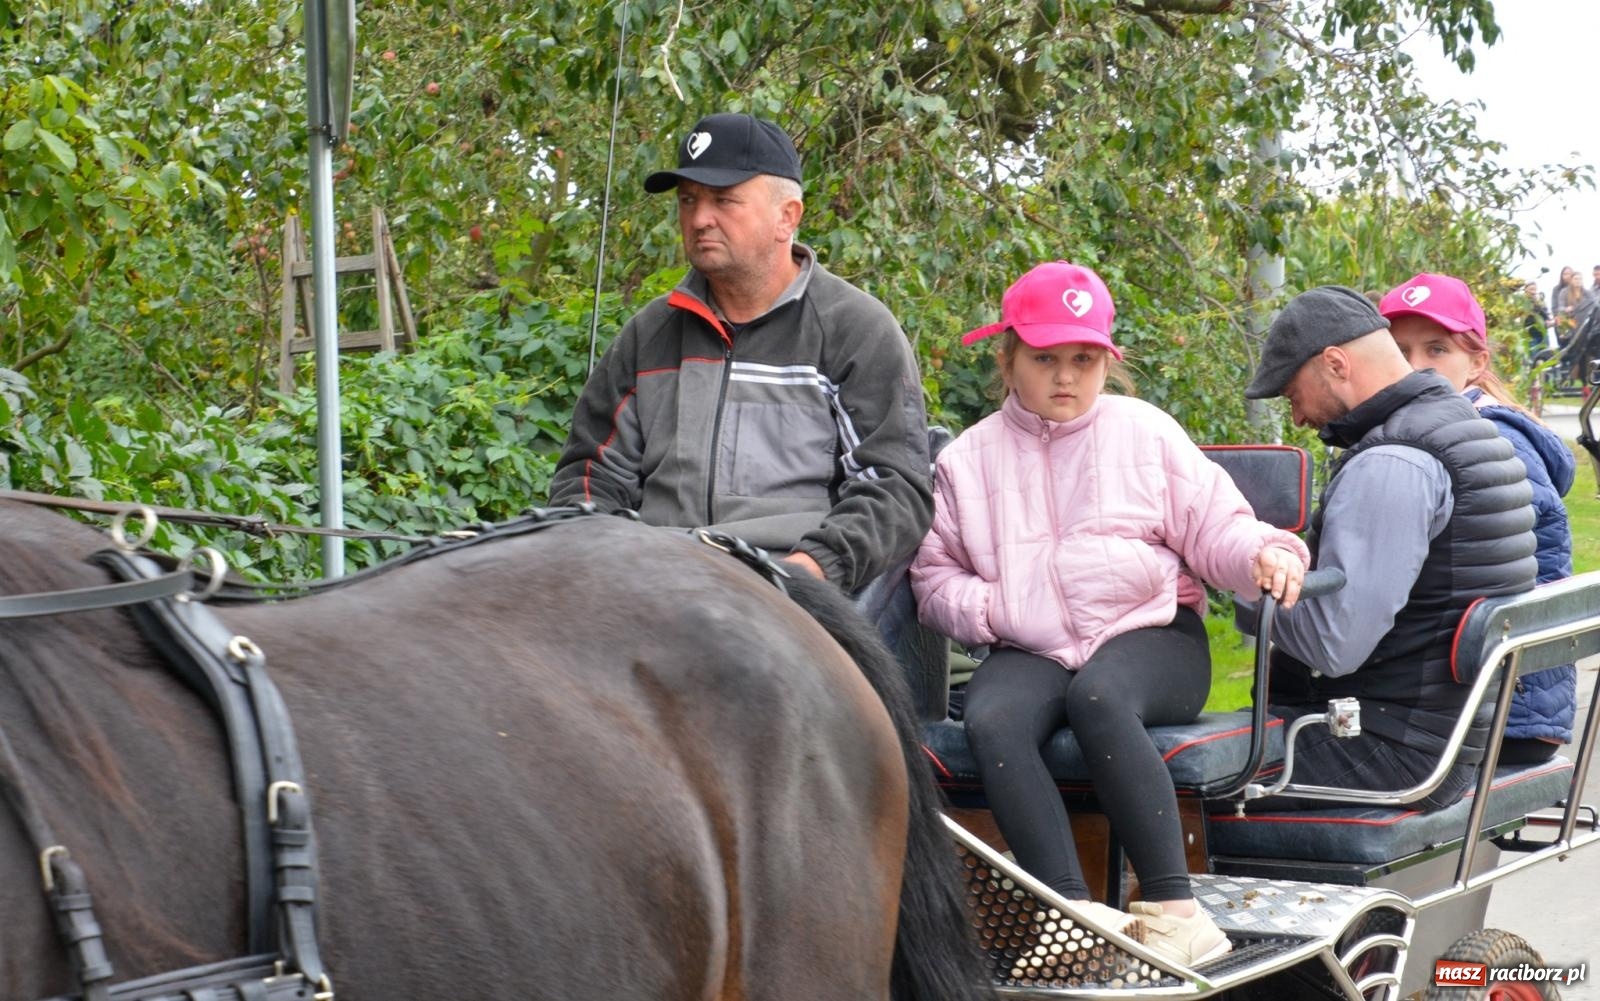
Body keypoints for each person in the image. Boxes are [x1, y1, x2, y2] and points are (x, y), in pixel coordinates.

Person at [910, 261, 1310, 968]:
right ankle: (1071, 914)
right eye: (1045, 358)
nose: (1066, 376)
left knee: (1099, 695)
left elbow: (1215, 527)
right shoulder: (968, 461)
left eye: (1084, 359)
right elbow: (935, 577)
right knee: (992, 717)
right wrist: (999, 607)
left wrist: (1263, 552)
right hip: (1030, 643)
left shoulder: (1145, 433)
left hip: (1153, 636)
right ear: (1008, 360)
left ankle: (1176, 910)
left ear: (1106, 362)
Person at [546, 113, 933, 595]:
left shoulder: (855, 330)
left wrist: (811, 571)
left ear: (786, 216)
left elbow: (894, 488)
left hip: (792, 585)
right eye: (688, 201)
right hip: (655, 580)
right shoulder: (650, 334)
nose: (699, 218)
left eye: (723, 200)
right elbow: (591, 472)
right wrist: (598, 556)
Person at [1241, 286, 1536, 812]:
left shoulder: (1393, 463)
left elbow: (1335, 645)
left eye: (1292, 395)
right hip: (1437, 736)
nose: (1299, 417)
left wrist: (1231, 585)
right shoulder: (1462, 427)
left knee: (1163, 771)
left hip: (1390, 749)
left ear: (1335, 364)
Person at [1378, 273, 1576, 763]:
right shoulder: (1448, 430)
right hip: (1484, 698)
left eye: (1436, 350)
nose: (1416, 368)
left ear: (1476, 362)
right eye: (1400, 352)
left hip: (1502, 709)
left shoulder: (1489, 444)